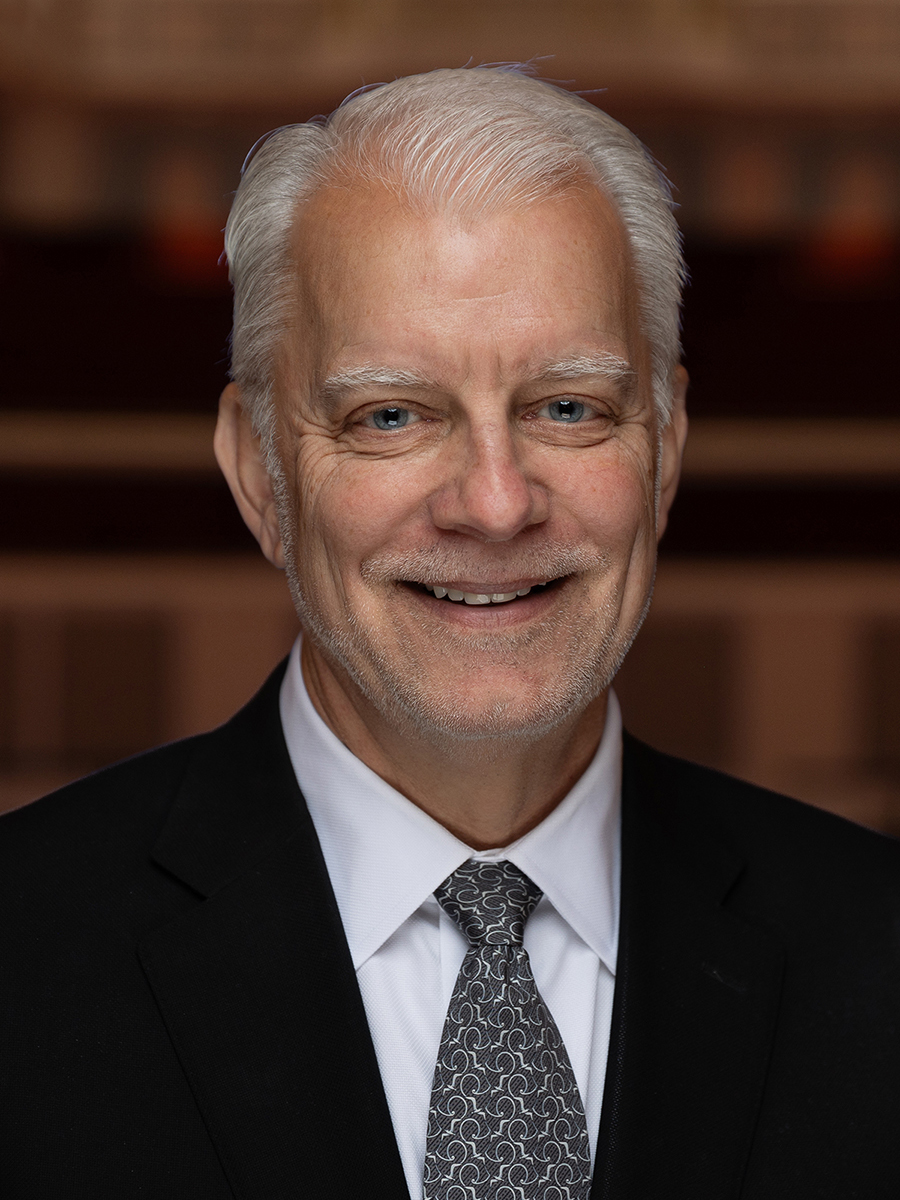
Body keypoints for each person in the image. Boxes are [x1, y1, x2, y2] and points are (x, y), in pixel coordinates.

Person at [2, 66, 899, 1200]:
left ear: (665, 450)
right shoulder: (20, 960)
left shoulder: (879, 960)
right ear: (259, 474)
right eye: (391, 415)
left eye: (569, 406)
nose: (494, 502)